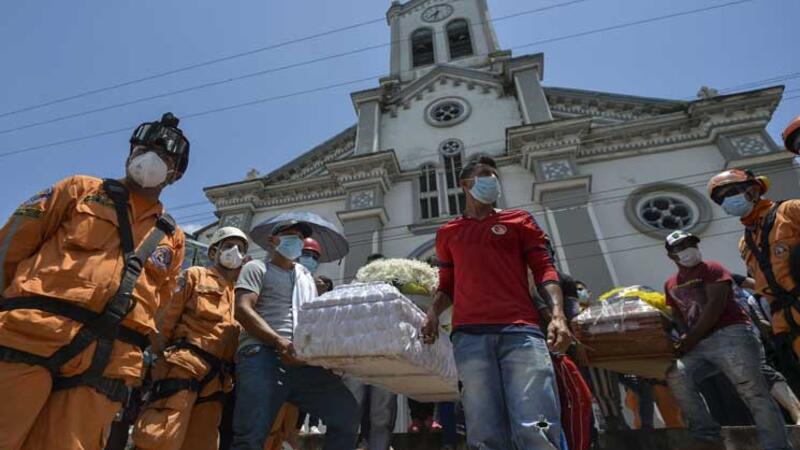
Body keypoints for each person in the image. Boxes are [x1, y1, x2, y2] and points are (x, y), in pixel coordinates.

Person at [0, 113, 188, 450]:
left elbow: (160, 307)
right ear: (130, 154)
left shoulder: (172, 237)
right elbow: (10, 249)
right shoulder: (79, 190)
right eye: (144, 149)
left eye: (164, 156)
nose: (151, 158)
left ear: (175, 174)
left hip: (107, 362)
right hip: (29, 335)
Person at [421, 156, 571, 449]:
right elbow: (447, 284)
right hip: (470, 339)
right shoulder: (448, 233)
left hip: (522, 333)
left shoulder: (519, 221)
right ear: (465, 184)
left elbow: (544, 268)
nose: (492, 179)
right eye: (484, 174)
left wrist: (558, 314)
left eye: (494, 174)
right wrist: (432, 313)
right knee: (483, 429)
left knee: (537, 421)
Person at [230, 219, 358, 450]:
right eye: (289, 235)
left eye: (300, 238)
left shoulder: (305, 279)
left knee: (346, 415)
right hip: (262, 355)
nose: (296, 241)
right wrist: (279, 341)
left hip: (302, 361)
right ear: (272, 240)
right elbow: (242, 309)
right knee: (251, 434)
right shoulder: (257, 268)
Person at [662, 230, 791, 450]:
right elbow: (678, 315)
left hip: (731, 335)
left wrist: (688, 340)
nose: (688, 250)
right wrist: (682, 337)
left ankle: (776, 446)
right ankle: (707, 435)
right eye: (680, 247)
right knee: (677, 374)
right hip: (699, 345)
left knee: (752, 391)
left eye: (691, 244)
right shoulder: (670, 284)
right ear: (671, 255)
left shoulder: (713, 269)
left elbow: (715, 306)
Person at [132, 227, 248, 450]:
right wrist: (163, 358)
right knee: (160, 435)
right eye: (228, 246)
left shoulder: (239, 294)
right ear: (214, 251)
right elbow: (166, 318)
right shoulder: (195, 275)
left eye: (240, 249)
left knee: (202, 442)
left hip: (217, 380)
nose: (235, 251)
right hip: (184, 367)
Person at [707, 169, 800, 374]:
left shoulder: (791, 211)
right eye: (721, 199)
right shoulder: (745, 243)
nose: (727, 200)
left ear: (754, 189)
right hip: (785, 325)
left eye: (731, 192)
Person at [344, 253, 398, 450]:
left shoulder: (394, 294)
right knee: (350, 412)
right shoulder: (351, 293)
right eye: (373, 268)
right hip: (356, 360)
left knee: (382, 415)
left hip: (385, 360)